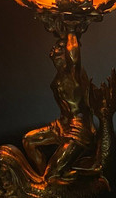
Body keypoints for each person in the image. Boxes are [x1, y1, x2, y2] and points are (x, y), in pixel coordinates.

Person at [22, 32, 96, 182]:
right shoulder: (59, 76)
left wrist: (71, 30)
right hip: (62, 125)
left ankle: (53, 177)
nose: (54, 47)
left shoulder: (73, 72)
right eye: (56, 45)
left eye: (60, 47)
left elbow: (74, 56)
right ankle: (44, 178)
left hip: (78, 129)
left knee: (52, 174)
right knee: (28, 140)